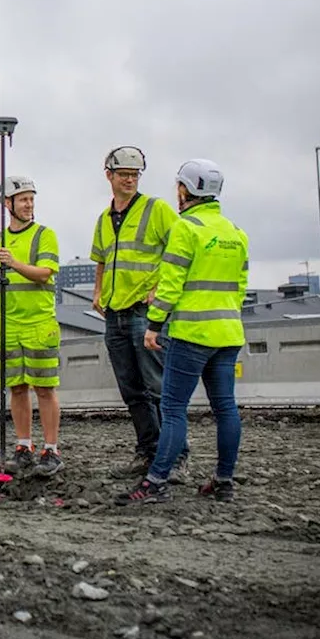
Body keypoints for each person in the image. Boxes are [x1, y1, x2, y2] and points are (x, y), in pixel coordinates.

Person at [115, 159, 249, 505]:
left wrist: (154, 325)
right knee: (226, 409)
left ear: (185, 190)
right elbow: (240, 288)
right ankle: (223, 481)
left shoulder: (185, 229)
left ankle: (155, 482)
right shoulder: (236, 233)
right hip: (229, 333)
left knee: (173, 409)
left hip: (191, 334)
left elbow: (171, 285)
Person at [90, 146, 188, 481]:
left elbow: (180, 248)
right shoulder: (104, 219)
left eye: (135, 176)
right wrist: (98, 290)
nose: (130, 180)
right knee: (132, 392)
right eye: (124, 175)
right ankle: (148, 452)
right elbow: (102, 258)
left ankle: (175, 457)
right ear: (110, 176)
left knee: (159, 388)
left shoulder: (156, 209)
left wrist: (160, 285)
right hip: (115, 315)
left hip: (144, 313)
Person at [0, 176, 64, 476]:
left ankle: (52, 449)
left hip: (38, 323)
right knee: (16, 388)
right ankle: (24, 445)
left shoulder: (45, 235)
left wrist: (14, 263)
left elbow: (45, 273)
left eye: (31, 199)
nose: (29, 204)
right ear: (8, 204)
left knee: (44, 388)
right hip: (8, 323)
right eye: (23, 199)